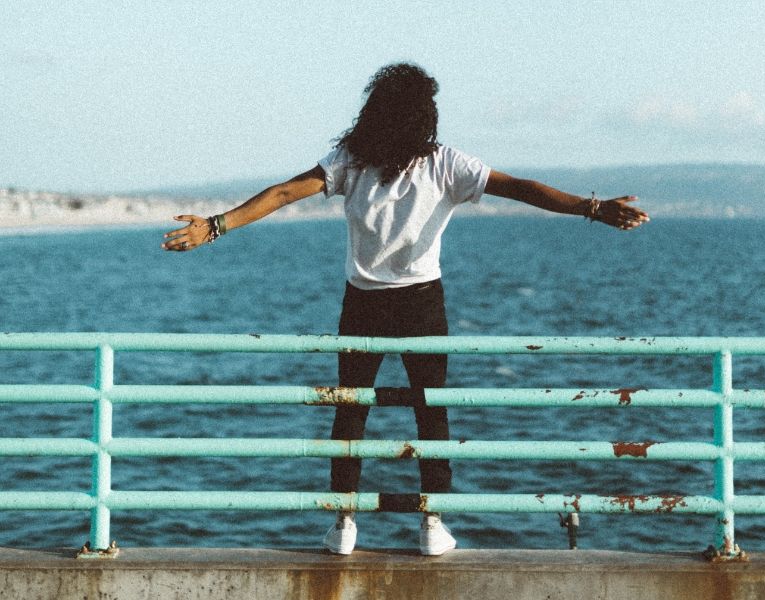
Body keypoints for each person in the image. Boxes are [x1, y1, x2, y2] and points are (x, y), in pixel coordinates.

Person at [162, 62, 649, 556]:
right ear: (425, 116)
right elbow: (519, 187)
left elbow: (286, 192)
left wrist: (216, 226)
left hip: (364, 303)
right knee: (430, 413)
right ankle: (432, 524)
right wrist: (591, 208)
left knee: (350, 412)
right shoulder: (441, 163)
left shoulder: (352, 159)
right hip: (421, 303)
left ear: (373, 111)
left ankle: (344, 524)